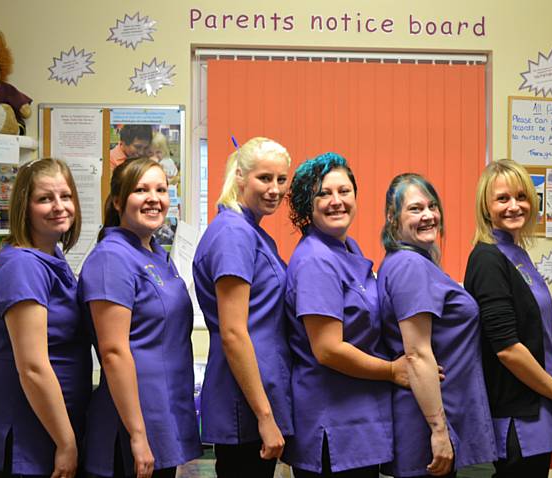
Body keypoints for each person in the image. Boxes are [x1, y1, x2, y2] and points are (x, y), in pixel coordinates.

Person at [284, 153, 413, 478]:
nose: (336, 201)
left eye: (344, 191)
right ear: (306, 204)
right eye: (323, 194)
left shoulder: (347, 248)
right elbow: (328, 349)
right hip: (334, 427)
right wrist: (392, 371)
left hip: (358, 420)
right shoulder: (316, 259)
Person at [79, 158, 201, 478]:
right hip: (132, 422)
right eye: (140, 189)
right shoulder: (111, 258)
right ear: (118, 201)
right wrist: (137, 434)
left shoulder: (157, 253)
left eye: (161, 190)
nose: (154, 198)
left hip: (164, 411)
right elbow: (113, 352)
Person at [0, 158, 92, 478]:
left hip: (49, 424)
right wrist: (66, 443)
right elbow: (33, 367)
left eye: (65, 196)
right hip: (25, 428)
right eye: (44, 199)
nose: (58, 206)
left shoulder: (52, 256)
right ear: (25, 206)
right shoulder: (23, 266)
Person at [464, 159, 552, 477]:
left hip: (539, 405)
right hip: (517, 416)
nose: (514, 206)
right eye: (502, 198)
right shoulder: (488, 258)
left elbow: (535, 328)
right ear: (486, 207)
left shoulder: (517, 253)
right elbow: (506, 347)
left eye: (521, 196)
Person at [377, 173, 496, 478]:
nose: (428, 215)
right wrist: (439, 431)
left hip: (431, 417)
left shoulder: (412, 261)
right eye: (415, 209)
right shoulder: (410, 266)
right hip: (425, 425)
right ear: (393, 218)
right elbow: (416, 354)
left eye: (432, 206)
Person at [192, 137, 293, 478]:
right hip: (245, 402)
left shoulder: (252, 231)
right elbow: (234, 333)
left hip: (258, 393)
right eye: (264, 178)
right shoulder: (233, 234)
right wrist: (265, 416)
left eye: (282, 179)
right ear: (239, 177)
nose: (275, 189)